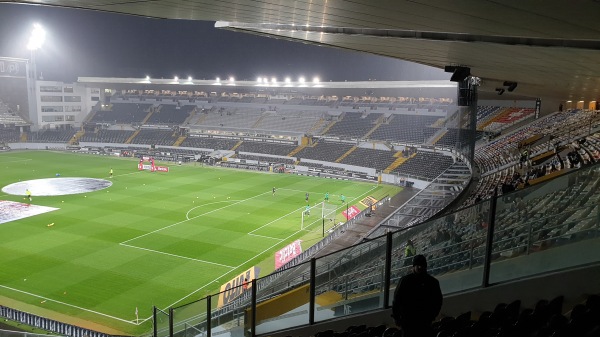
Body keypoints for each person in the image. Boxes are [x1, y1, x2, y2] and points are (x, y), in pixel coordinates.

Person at [392, 255, 443, 337]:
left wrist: (397, 318)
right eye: (418, 265)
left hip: (419, 321)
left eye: (421, 265)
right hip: (411, 322)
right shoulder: (432, 282)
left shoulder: (405, 281)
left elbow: (438, 301)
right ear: (413, 266)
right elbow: (396, 301)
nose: (420, 267)